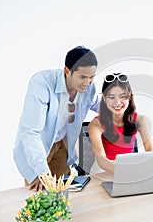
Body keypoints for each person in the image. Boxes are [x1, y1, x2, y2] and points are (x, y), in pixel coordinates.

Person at [13, 46, 99, 191]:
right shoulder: (42, 83)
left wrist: (124, 109)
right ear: (67, 71)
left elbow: (99, 105)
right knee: (40, 196)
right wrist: (41, 171)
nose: (87, 83)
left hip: (61, 146)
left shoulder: (89, 87)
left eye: (91, 77)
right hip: (38, 146)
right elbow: (30, 132)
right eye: (83, 77)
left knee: (64, 194)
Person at [88, 73, 153, 174]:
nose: (117, 102)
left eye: (122, 96)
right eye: (111, 97)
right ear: (104, 98)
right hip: (103, 170)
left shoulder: (140, 120)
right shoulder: (96, 124)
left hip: (128, 167)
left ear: (129, 97)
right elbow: (101, 160)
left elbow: (150, 149)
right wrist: (124, 173)